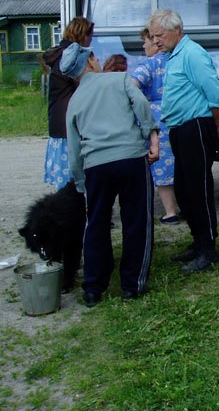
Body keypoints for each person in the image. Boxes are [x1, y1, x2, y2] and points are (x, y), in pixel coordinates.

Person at [61, 43, 159, 307]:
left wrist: (81, 182)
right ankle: (132, 285)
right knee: (136, 222)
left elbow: (73, 149)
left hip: (95, 165)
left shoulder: (74, 101)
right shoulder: (120, 79)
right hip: (130, 159)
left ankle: (93, 288)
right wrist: (150, 134)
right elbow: (140, 102)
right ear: (91, 60)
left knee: (96, 225)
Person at [147, 9, 219, 274]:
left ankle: (209, 250)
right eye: (152, 36)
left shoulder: (192, 53)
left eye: (159, 35)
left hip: (195, 127)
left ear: (176, 30)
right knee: (183, 190)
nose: (155, 41)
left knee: (199, 189)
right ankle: (198, 242)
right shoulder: (174, 55)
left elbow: (217, 95)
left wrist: (215, 124)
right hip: (180, 129)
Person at [130, 27, 181, 225]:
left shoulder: (149, 64)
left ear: (154, 41)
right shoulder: (175, 60)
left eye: (145, 42)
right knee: (179, 164)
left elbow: (132, 84)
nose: (143, 46)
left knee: (161, 165)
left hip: (158, 121)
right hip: (178, 115)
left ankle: (170, 212)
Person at [41, 17, 94, 189]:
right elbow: (86, 83)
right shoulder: (72, 55)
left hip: (58, 120)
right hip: (69, 123)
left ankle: (69, 209)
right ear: (82, 34)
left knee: (65, 182)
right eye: (90, 34)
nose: (92, 38)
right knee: (75, 179)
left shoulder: (59, 53)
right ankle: (78, 213)